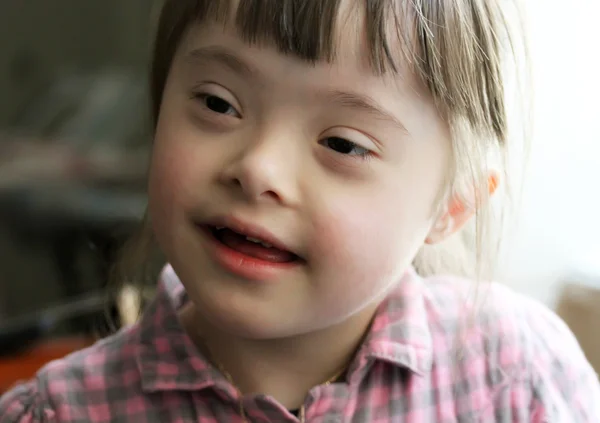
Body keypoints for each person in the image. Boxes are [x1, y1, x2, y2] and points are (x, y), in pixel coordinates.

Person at [2, 0, 599, 421]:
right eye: (218, 103)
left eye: (342, 144)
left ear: (454, 205)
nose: (258, 167)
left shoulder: (514, 381)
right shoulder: (63, 412)